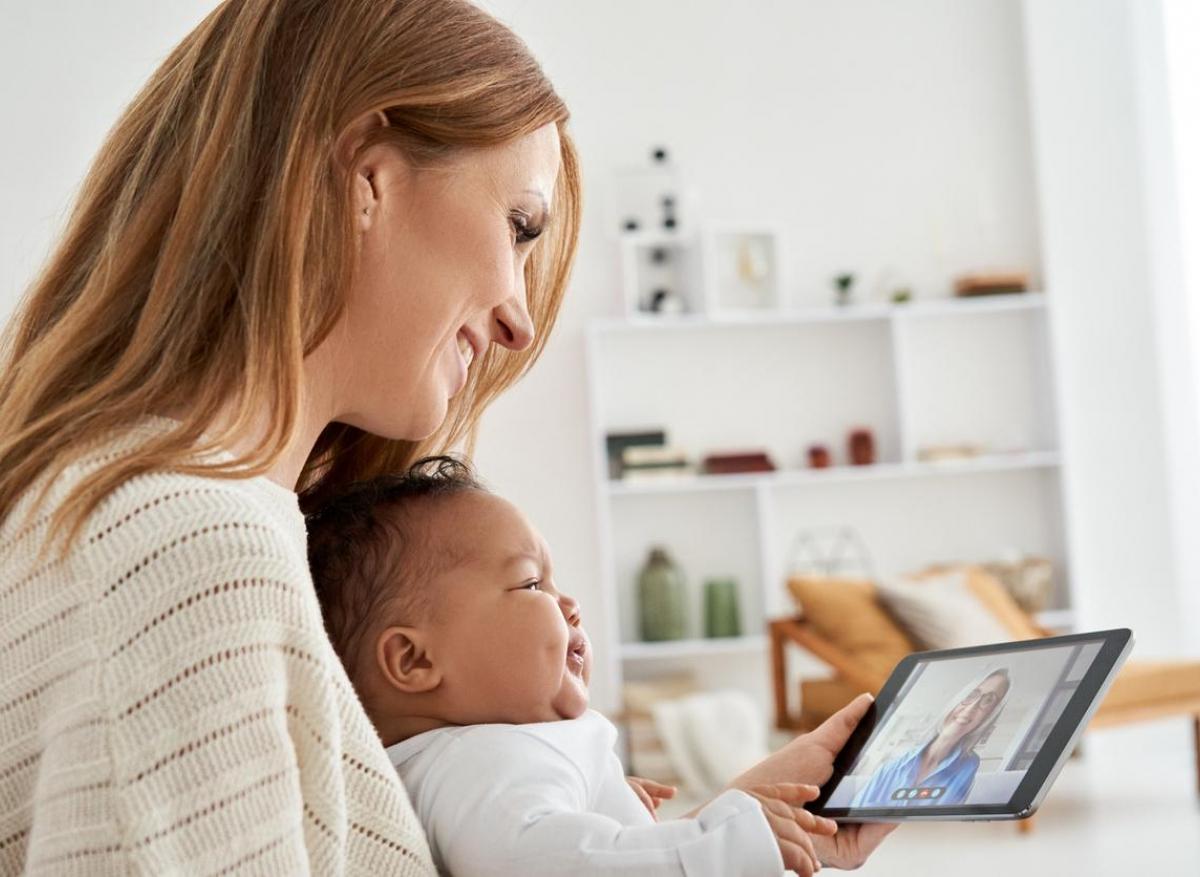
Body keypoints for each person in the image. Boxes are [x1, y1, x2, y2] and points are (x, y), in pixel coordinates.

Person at [0, 0, 893, 873]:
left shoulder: (140, 510)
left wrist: (697, 833)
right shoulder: (190, 547)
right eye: (519, 226)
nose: (519, 322)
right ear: (368, 178)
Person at [305, 455, 844, 876]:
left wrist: (599, 798)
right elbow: (538, 862)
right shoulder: (475, 763)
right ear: (415, 660)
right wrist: (726, 843)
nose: (570, 605)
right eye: (531, 584)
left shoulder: (486, 760)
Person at [850, 668, 1011, 808]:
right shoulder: (894, 763)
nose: (970, 708)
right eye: (971, 695)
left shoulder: (969, 765)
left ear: (991, 715)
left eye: (988, 700)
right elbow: (856, 810)